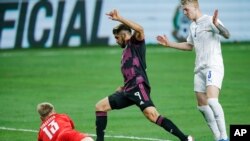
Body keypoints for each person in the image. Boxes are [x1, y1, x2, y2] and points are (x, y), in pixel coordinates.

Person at [95, 9, 194, 141]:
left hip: (138, 87)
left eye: (117, 37)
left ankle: (185, 138)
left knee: (152, 115)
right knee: (100, 106)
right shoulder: (125, 51)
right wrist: (123, 87)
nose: (117, 41)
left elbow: (140, 29)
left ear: (124, 35)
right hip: (128, 89)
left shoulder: (135, 43)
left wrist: (120, 18)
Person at [156, 0, 230, 141]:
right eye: (183, 10)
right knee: (202, 106)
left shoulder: (210, 21)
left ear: (195, 7)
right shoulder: (193, 26)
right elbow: (189, 46)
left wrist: (217, 26)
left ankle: (224, 137)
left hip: (213, 66)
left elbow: (227, 35)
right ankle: (217, 137)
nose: (184, 13)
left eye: (186, 9)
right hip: (199, 69)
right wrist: (169, 44)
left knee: (213, 101)